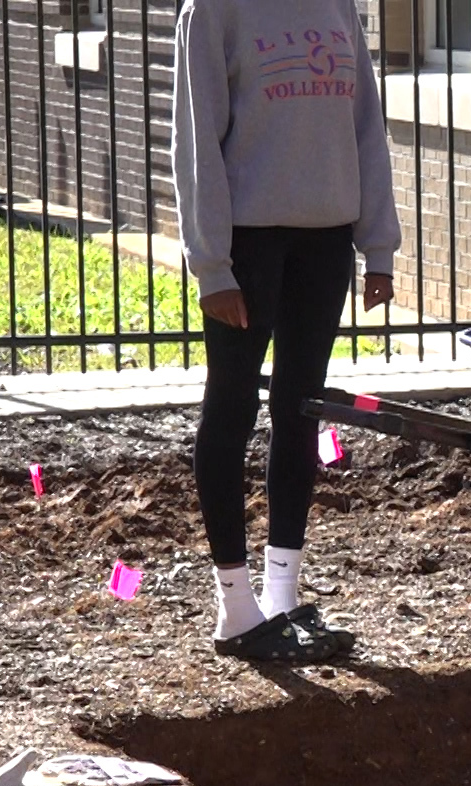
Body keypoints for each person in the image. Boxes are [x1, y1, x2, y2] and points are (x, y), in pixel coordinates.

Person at [173, 0, 400, 661]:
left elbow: (366, 128)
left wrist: (377, 247)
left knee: (300, 410)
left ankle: (283, 594)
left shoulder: (338, 5)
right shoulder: (214, 10)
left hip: (325, 242)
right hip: (247, 244)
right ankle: (235, 606)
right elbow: (197, 142)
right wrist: (211, 266)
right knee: (234, 405)